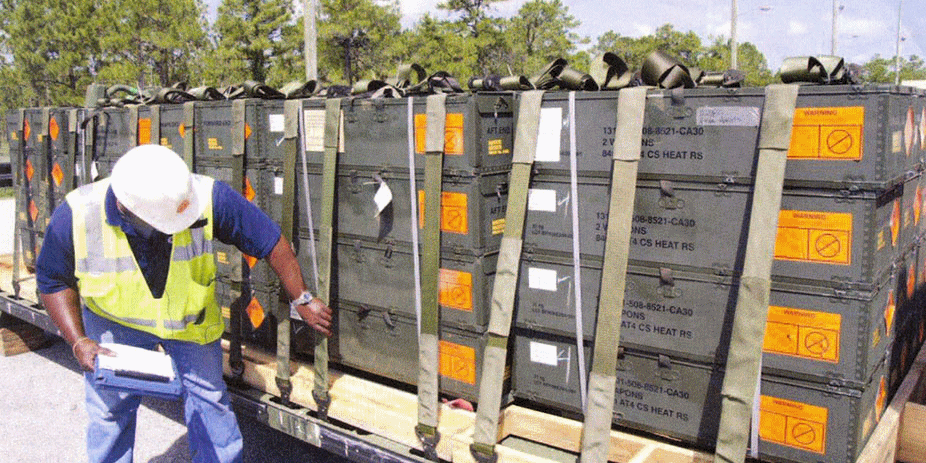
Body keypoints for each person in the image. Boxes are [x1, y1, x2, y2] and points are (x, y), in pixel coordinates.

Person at [35, 144, 332, 463]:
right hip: (114, 321)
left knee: (210, 407)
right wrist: (78, 340)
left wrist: (301, 297)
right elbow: (52, 280)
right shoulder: (79, 212)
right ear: (124, 207)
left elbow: (270, 241)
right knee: (110, 410)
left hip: (190, 321)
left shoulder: (205, 196)